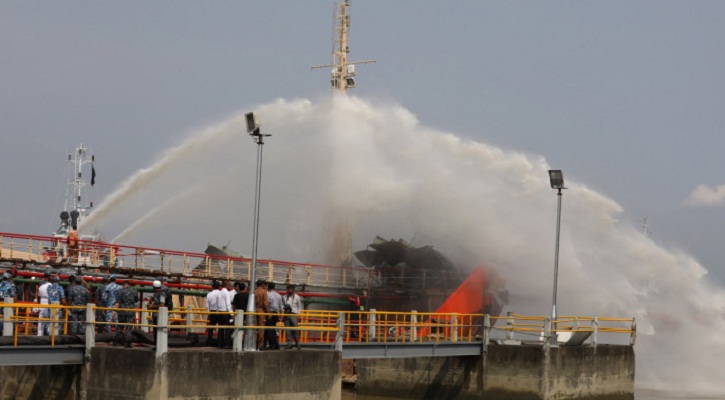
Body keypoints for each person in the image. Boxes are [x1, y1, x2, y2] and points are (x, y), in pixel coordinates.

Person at [148, 280, 173, 345]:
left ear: (154, 287)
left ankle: (159, 345)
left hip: (159, 315)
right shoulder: (158, 293)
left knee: (158, 330)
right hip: (157, 315)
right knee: (156, 330)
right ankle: (157, 344)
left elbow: (162, 304)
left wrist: (152, 306)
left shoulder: (162, 294)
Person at [117, 279, 138, 347]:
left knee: (120, 326)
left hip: (122, 311)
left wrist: (115, 311)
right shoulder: (134, 291)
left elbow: (118, 302)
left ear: (123, 285)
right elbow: (136, 300)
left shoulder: (120, 291)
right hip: (130, 311)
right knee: (129, 327)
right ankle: (128, 342)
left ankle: (118, 341)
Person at [283, 284, 303, 350]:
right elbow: (282, 305)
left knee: (295, 330)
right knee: (288, 331)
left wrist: (298, 315)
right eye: (287, 289)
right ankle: (289, 345)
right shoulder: (284, 297)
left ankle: (297, 344)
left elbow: (299, 306)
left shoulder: (297, 297)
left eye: (289, 289)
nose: (288, 291)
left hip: (294, 314)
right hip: (286, 314)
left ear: (293, 290)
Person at [264, 282, 282, 350]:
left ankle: (272, 344)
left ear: (268, 286)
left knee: (269, 329)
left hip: (269, 313)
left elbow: (267, 304)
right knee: (273, 329)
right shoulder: (278, 295)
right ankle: (276, 344)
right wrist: (280, 315)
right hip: (276, 313)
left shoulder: (267, 294)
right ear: (274, 287)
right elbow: (281, 306)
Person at [205, 280, 223, 347]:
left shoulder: (209, 294)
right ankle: (220, 343)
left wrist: (208, 313)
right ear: (219, 287)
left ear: (212, 287)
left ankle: (209, 342)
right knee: (220, 328)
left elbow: (207, 305)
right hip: (220, 311)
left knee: (211, 328)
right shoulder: (221, 294)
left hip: (212, 312)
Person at [253, 280, 269, 351]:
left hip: (254, 311)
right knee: (261, 329)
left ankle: (254, 344)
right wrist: (268, 313)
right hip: (261, 311)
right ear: (261, 284)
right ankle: (260, 345)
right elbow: (265, 303)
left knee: (254, 328)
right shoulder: (264, 291)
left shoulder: (254, 291)